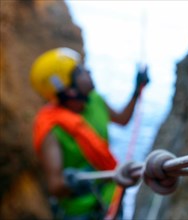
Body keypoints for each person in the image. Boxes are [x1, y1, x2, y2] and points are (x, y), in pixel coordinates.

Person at [29, 47, 149, 219]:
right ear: (69, 89)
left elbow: (122, 119)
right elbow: (55, 185)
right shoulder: (51, 127)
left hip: (110, 199)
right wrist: (76, 182)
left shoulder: (94, 101)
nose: (88, 71)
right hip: (81, 212)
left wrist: (137, 91)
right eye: (80, 71)